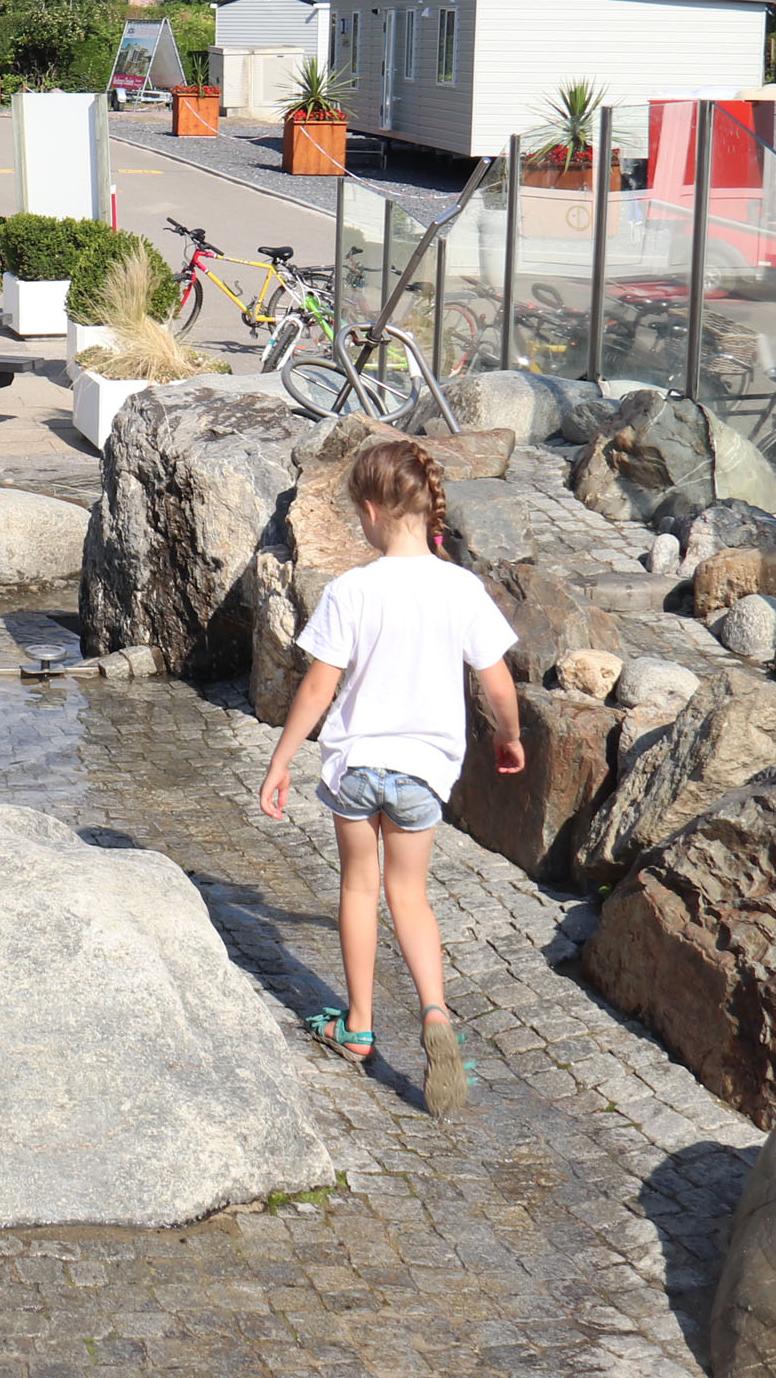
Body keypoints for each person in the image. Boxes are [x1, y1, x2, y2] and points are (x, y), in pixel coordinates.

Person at [258, 438, 524, 1117]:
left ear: (373, 511)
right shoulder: (461, 588)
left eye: (358, 516)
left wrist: (283, 758)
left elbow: (321, 686)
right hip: (422, 774)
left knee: (359, 887)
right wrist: (509, 738)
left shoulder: (354, 589)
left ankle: (360, 1025)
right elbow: (496, 681)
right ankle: (435, 1013)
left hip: (355, 768)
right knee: (410, 896)